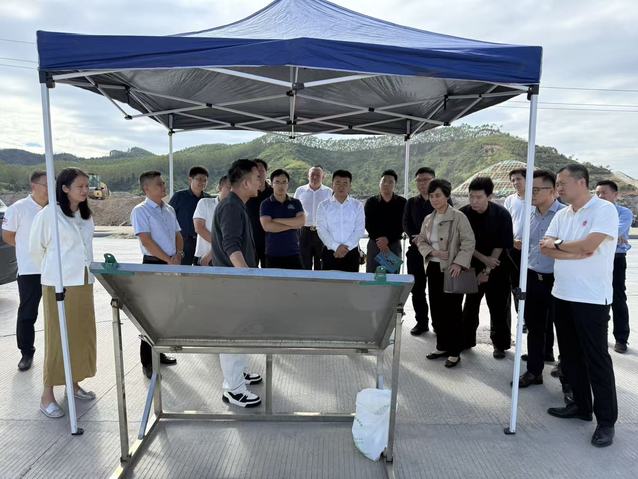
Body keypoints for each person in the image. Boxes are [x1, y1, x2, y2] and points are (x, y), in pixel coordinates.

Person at [541, 164, 619, 448]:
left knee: (596, 360)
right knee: (570, 356)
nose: (558, 188)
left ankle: (606, 422)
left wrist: (561, 245)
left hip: (592, 299)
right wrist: (572, 251)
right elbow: (545, 248)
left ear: (582, 182)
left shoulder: (604, 210)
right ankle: (581, 406)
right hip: (562, 294)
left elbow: (590, 245)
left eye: (562, 183)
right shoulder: (562, 214)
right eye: (557, 183)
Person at [29, 168, 97, 418]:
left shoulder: (85, 215)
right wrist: (53, 273)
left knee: (80, 335)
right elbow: (36, 249)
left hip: (83, 281)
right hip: (59, 284)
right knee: (59, 339)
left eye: (87, 186)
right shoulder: (50, 214)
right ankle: (47, 395)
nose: (85, 190)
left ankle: (73, 383)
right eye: (80, 186)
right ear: (65, 188)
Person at [211, 159, 263, 408]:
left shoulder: (236, 204)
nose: (261, 182)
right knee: (232, 334)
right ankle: (234, 389)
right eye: (257, 178)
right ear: (245, 183)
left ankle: (239, 374)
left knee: (240, 329)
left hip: (235, 281)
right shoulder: (231, 206)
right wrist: (247, 276)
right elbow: (231, 245)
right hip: (232, 283)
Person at [416, 180, 475, 368]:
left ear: (447, 196)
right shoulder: (428, 218)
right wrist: (432, 252)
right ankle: (441, 346)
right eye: (431, 196)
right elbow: (421, 241)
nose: (434, 199)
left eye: (438, 195)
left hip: (452, 269)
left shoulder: (459, 217)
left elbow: (468, 242)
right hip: (433, 268)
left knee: (453, 311)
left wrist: (459, 263)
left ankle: (455, 351)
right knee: (436, 309)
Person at [514, 170, 564, 388]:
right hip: (533, 276)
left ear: (552, 191)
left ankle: (567, 374)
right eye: (529, 190)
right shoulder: (529, 214)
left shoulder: (564, 215)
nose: (530, 194)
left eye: (535, 190)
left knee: (563, 328)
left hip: (558, 279)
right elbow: (525, 242)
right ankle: (534, 371)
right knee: (534, 326)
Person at [131, 171, 181, 378]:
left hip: (172, 263)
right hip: (154, 264)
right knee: (150, 315)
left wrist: (179, 254)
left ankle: (159, 353)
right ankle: (147, 362)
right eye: (159, 184)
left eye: (163, 183)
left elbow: (178, 235)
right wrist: (168, 260)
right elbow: (146, 240)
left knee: (167, 313)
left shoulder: (169, 209)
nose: (163, 187)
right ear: (146, 189)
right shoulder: (140, 211)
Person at [460, 177, 514, 358]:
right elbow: (463, 243)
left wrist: (487, 270)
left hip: (498, 265)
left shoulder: (502, 214)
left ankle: (500, 344)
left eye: (479, 197)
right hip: (472, 264)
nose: (474, 201)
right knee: (470, 305)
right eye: (471, 197)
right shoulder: (463, 214)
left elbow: (501, 244)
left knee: (499, 306)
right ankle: (466, 340)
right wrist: (483, 260)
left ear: (489, 196)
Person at [2, 171, 48, 371]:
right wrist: (27, 250)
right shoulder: (18, 208)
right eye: (46, 185)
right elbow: (8, 236)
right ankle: (26, 352)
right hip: (30, 271)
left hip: (55, 270)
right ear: (34, 186)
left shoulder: (56, 208)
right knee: (28, 313)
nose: (50, 189)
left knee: (59, 313)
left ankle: (59, 353)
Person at [403, 167, 449, 335]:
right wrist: (415, 238)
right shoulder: (411, 202)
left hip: (437, 254)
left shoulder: (442, 200)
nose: (422, 183)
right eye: (419, 180)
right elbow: (406, 223)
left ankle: (438, 323)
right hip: (416, 252)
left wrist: (428, 240)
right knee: (417, 290)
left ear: (434, 180)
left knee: (437, 291)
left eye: (426, 179)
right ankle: (421, 322)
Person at [595, 180, 632, 353]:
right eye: (597, 193)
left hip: (616, 259)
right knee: (597, 298)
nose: (600, 196)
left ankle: (621, 339)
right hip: (595, 258)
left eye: (604, 192)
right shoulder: (593, 212)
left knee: (617, 297)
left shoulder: (624, 213)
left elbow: (614, 232)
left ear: (615, 195)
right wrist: (612, 237)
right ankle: (599, 336)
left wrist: (601, 235)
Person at [316, 170, 365, 272]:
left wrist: (345, 248)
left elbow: (359, 230)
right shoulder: (323, 206)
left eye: (345, 183)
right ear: (332, 185)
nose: (341, 187)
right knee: (329, 281)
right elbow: (321, 229)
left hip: (351, 252)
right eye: (338, 183)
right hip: (330, 252)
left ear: (350, 186)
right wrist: (336, 247)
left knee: (351, 282)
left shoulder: (357, 206)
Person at [260, 169, 306, 269]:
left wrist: (276, 220)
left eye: (284, 182)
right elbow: (267, 226)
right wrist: (293, 225)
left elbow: (301, 222)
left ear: (288, 184)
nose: (281, 185)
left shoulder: (295, 202)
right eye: (277, 182)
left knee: (298, 278)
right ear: (272, 184)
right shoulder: (266, 204)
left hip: (293, 252)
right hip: (273, 253)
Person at [364, 169, 407, 273]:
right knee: (372, 276)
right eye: (384, 181)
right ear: (379, 183)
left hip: (393, 245)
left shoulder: (402, 202)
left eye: (390, 181)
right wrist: (381, 242)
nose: (386, 184)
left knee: (392, 277)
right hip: (375, 245)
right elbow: (368, 224)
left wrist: (387, 240)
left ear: (395, 185)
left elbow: (402, 225)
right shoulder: (371, 202)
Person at [169, 166, 211, 265]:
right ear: (190, 179)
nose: (202, 182)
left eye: (205, 180)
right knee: (183, 270)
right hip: (184, 242)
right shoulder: (179, 196)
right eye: (199, 179)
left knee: (202, 270)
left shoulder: (208, 199)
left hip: (203, 242)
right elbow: (169, 218)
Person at [294, 166, 333, 270]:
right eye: (312, 175)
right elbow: (294, 211)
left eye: (318, 175)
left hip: (322, 232)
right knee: (303, 264)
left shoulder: (329, 192)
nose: (315, 177)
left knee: (321, 265)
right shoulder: (300, 191)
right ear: (308, 176)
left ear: (323, 177)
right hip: (304, 232)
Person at [193, 176, 231, 266]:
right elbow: (199, 228)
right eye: (229, 187)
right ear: (220, 187)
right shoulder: (205, 203)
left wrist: (210, 255)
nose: (231, 191)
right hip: (203, 256)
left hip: (225, 258)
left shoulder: (236, 209)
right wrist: (217, 247)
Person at [504, 167, 527, 313]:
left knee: (530, 282)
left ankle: (530, 314)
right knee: (515, 282)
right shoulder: (510, 200)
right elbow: (506, 224)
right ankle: (521, 314)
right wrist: (512, 241)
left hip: (532, 249)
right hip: (514, 247)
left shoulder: (534, 199)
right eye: (513, 180)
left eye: (519, 179)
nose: (515, 182)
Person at [245, 158, 274, 267]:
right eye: (255, 170)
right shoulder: (246, 193)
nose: (258, 173)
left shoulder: (274, 193)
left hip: (271, 241)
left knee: (269, 273)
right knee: (250, 272)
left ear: (266, 172)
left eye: (261, 170)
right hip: (250, 241)